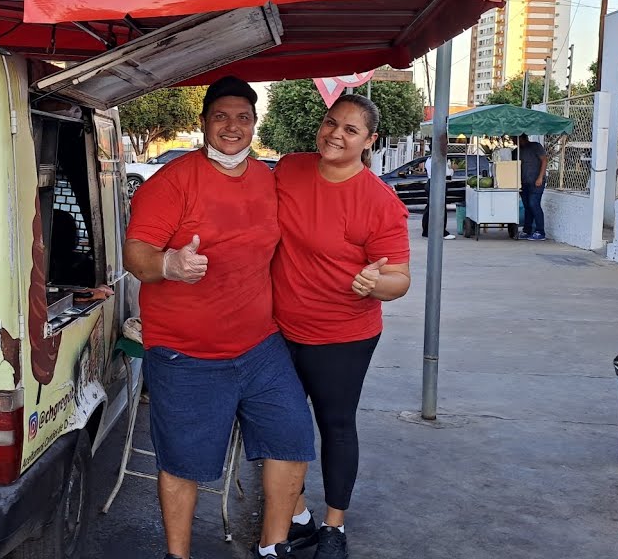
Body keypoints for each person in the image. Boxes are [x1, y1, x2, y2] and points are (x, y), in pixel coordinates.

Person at [124, 76, 315, 559]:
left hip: (259, 345)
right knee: (185, 461)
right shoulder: (171, 182)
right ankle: (178, 555)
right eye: (221, 117)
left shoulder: (267, 180)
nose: (233, 127)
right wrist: (169, 265)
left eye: (243, 118)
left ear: (255, 124)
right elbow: (136, 254)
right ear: (205, 122)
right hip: (185, 350)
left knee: (290, 438)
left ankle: (274, 547)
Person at [272, 94, 412, 559]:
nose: (336, 134)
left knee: (334, 425)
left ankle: (333, 526)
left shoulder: (380, 202)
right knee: (281, 426)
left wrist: (376, 283)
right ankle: (298, 514)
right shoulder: (289, 169)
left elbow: (400, 279)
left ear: (370, 141)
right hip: (278, 327)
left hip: (343, 336)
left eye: (351, 130)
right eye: (331, 123)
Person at [516, 133, 548, 240]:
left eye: (517, 139)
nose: (515, 141)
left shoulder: (536, 146)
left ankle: (540, 231)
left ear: (523, 137)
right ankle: (527, 230)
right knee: (527, 207)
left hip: (537, 182)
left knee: (534, 204)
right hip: (524, 183)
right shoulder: (516, 151)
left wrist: (540, 177)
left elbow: (544, 160)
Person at [421, 156, 456, 240]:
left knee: (430, 207)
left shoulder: (428, 159)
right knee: (440, 208)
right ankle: (442, 232)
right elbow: (447, 173)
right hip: (438, 182)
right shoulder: (440, 159)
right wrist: (452, 169)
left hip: (430, 182)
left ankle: (426, 231)